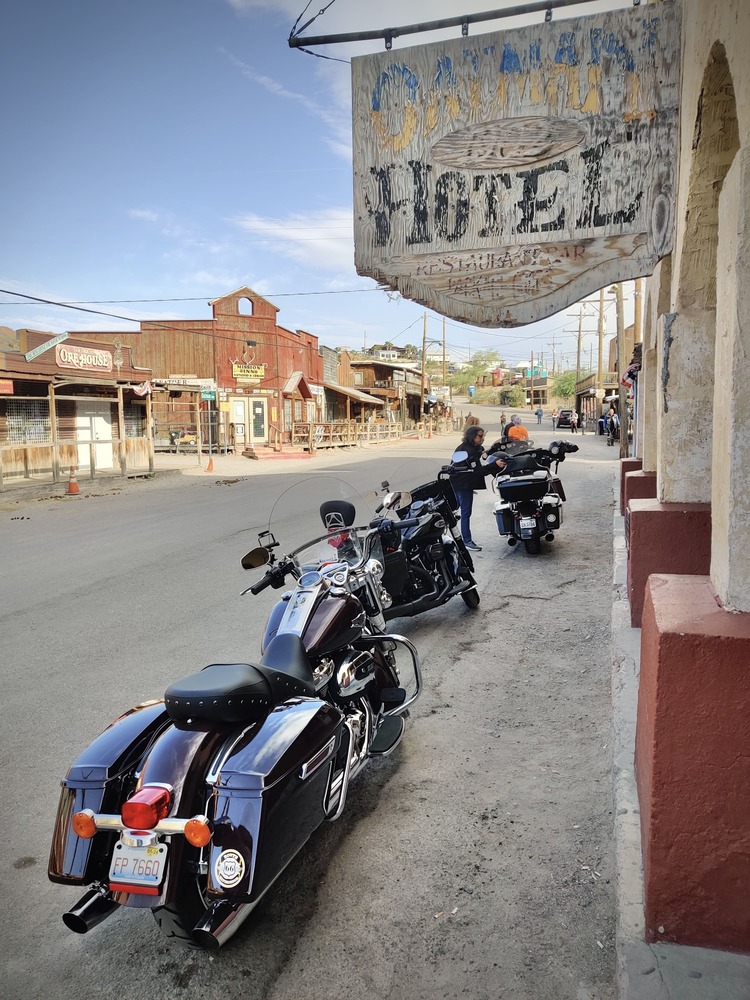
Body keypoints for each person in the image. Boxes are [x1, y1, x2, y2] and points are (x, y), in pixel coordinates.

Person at [449, 426, 500, 552]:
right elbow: (479, 471)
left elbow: (479, 455)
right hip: (463, 484)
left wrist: (486, 452)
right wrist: (495, 465)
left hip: (457, 482)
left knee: (455, 509)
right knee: (466, 513)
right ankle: (466, 541)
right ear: (472, 437)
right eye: (479, 436)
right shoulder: (469, 451)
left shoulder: (467, 447)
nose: (482, 438)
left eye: (483, 436)